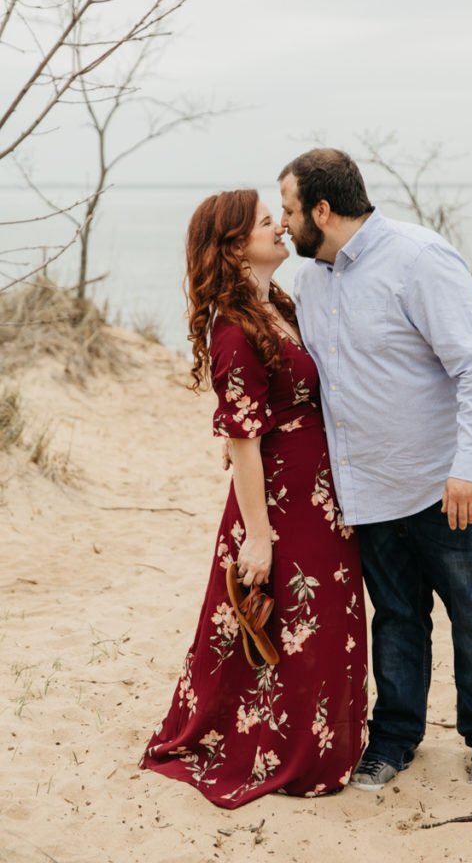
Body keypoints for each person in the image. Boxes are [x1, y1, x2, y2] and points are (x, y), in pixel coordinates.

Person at [277, 148, 472, 789]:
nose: (283, 222)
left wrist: (470, 465)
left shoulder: (417, 259)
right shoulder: (312, 280)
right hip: (370, 487)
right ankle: (395, 739)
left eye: (290, 209)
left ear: (322, 211)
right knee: (396, 618)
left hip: (448, 483)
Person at [140, 189, 367, 808]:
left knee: (325, 619)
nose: (282, 228)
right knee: (287, 619)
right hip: (279, 498)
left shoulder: (280, 305)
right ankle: (288, 750)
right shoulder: (234, 327)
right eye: (269, 222)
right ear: (237, 245)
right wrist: (259, 536)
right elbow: (242, 438)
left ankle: (328, 739)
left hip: (322, 491)